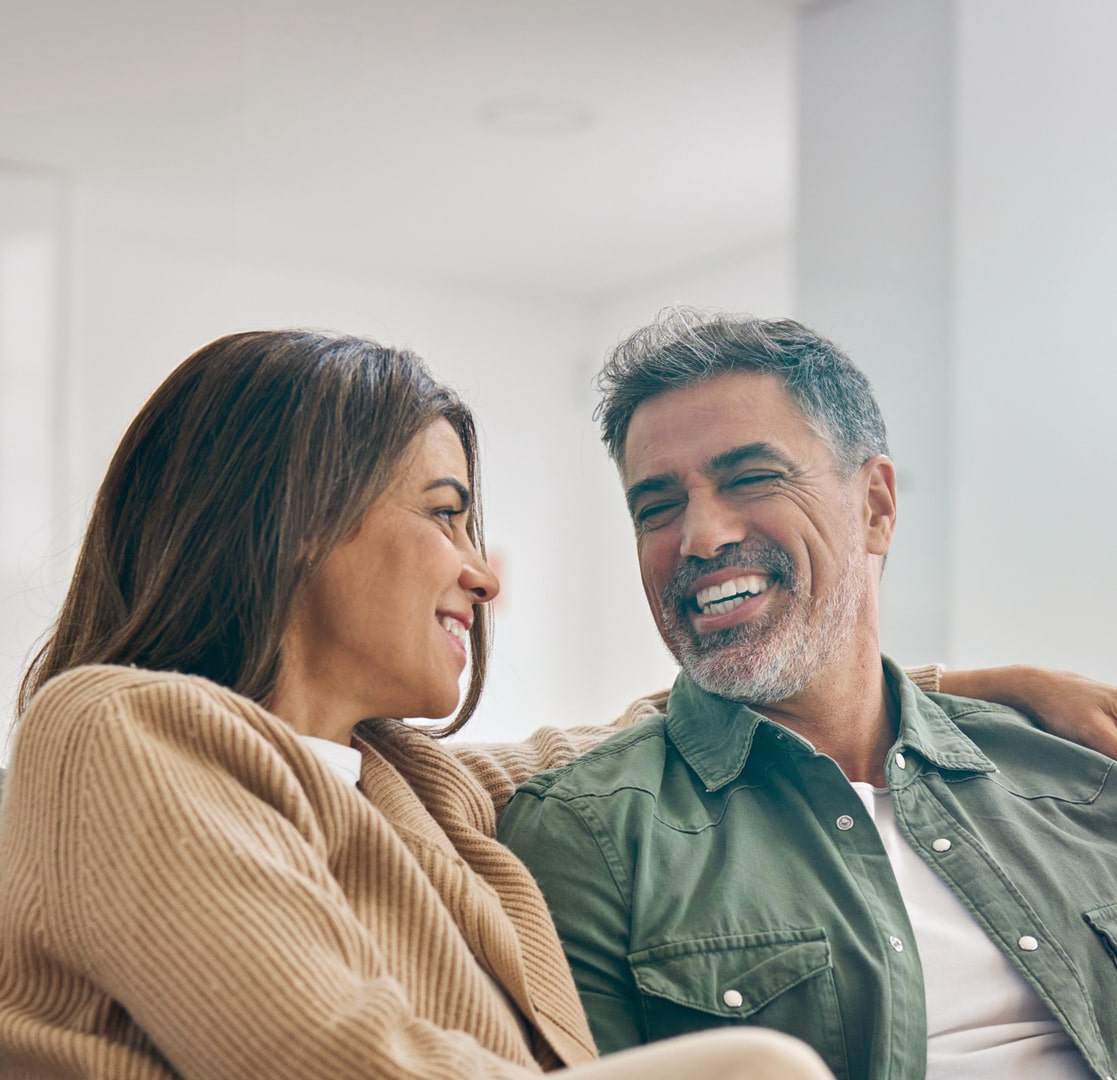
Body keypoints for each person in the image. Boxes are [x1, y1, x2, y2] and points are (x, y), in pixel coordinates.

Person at [0, 329, 1108, 1080]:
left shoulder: (407, 787)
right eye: (446, 515)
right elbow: (332, 1058)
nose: (482, 575)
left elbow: (676, 723)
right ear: (294, 518)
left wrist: (952, 690)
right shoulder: (116, 729)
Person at [497, 310, 1117, 1080]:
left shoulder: (1078, 773)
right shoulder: (589, 834)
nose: (700, 537)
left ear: (875, 508)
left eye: (750, 478)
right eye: (656, 507)